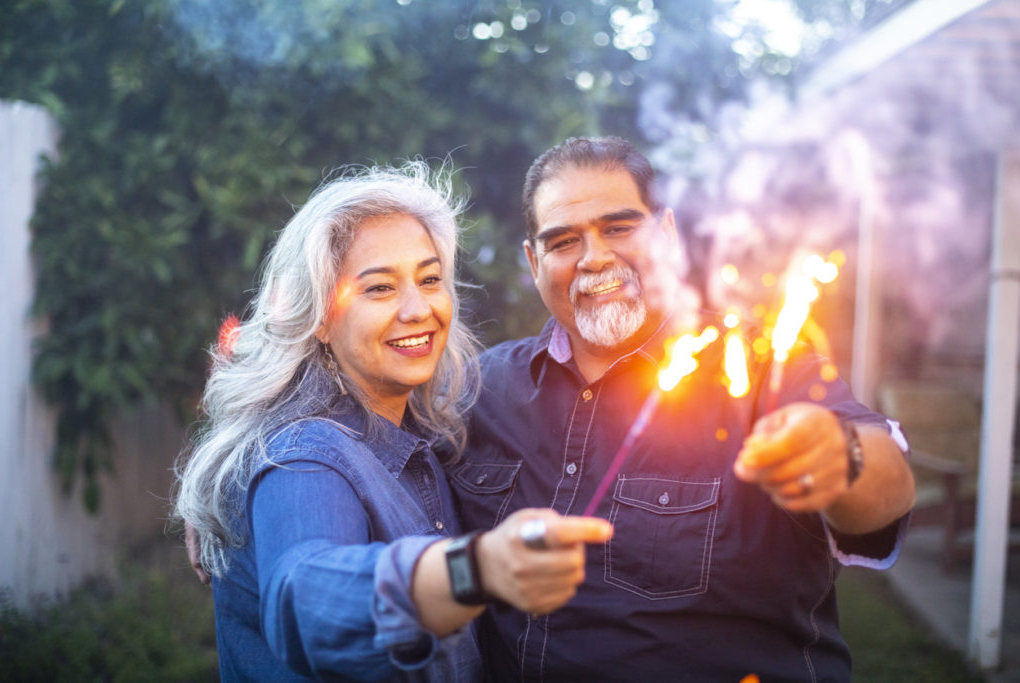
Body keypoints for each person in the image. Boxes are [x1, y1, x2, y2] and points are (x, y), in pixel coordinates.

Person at [446, 136, 916, 681]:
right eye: (563, 241)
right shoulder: (482, 389)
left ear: (665, 234)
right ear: (534, 261)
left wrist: (843, 458)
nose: (594, 257)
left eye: (618, 227)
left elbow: (889, 486)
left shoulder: (763, 365)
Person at [173, 161, 613, 682]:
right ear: (317, 315)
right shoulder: (300, 454)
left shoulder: (429, 426)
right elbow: (306, 600)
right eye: (379, 288)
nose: (417, 309)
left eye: (430, 280)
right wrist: (475, 570)